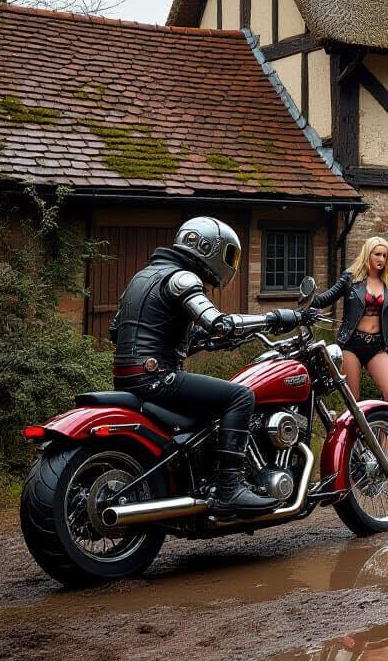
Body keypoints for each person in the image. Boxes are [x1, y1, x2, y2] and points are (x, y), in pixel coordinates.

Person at [109, 217, 313, 517]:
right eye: (229, 254)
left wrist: (210, 341)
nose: (229, 262)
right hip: (158, 377)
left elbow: (120, 332)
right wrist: (275, 318)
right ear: (208, 248)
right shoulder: (182, 278)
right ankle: (229, 488)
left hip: (130, 378)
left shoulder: (142, 278)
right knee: (241, 396)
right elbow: (220, 323)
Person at [313, 236, 388, 405]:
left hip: (377, 345)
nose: (381, 259)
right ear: (368, 254)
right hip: (352, 343)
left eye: (385, 256)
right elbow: (328, 297)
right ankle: (354, 431)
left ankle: (385, 431)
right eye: (377, 254)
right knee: (353, 401)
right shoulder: (351, 278)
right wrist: (309, 301)